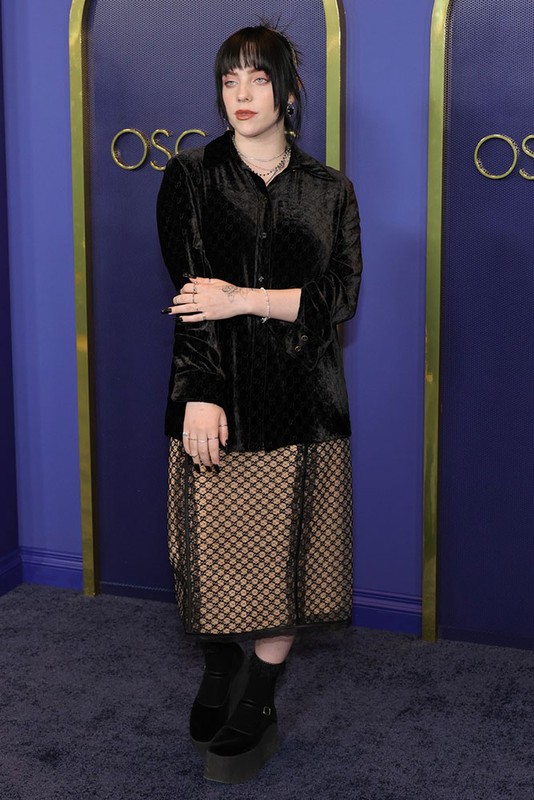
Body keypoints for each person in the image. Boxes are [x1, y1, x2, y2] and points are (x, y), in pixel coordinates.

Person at [157, 24, 362, 784]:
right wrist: (201, 395)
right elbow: (193, 301)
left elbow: (338, 300)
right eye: (229, 80)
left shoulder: (330, 189)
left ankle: (261, 692)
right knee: (209, 558)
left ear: (289, 92)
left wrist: (243, 297)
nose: (241, 95)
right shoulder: (191, 176)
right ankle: (221, 663)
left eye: (258, 78)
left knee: (292, 567)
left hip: (306, 406)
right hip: (221, 399)